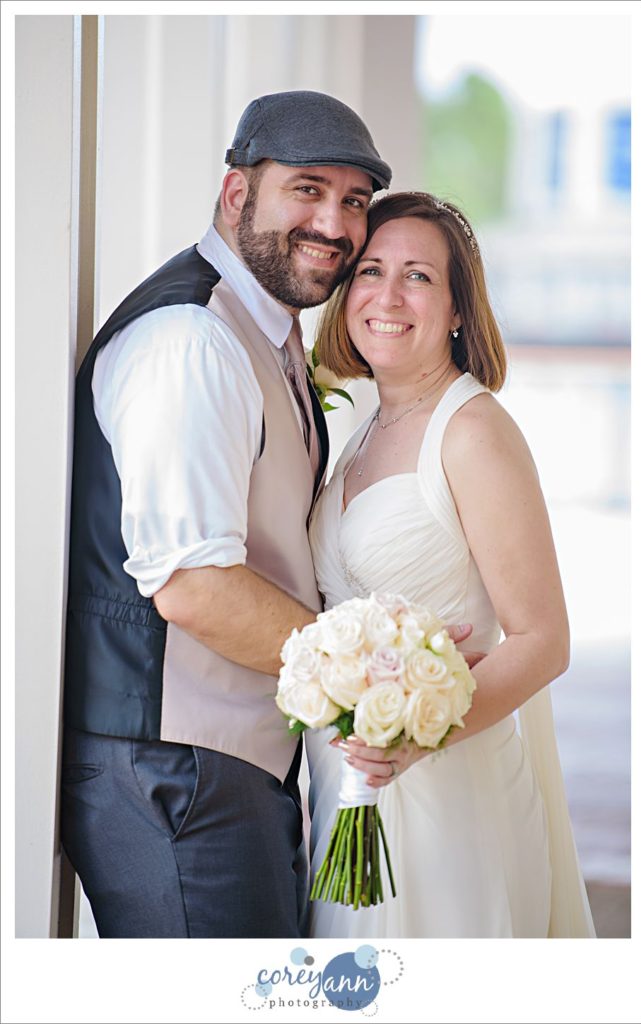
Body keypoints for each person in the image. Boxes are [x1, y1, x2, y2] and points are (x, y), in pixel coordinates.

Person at [60, 90, 397, 939]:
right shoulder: (193, 339)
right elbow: (196, 586)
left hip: (229, 760)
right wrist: (368, 687)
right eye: (308, 189)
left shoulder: (267, 335)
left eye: (354, 202)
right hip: (174, 769)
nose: (335, 222)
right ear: (238, 193)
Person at [306, 191, 596, 938]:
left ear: (460, 308)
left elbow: (543, 639)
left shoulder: (473, 432)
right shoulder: (365, 429)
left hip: (451, 792)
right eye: (371, 270)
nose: (389, 296)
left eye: (420, 277)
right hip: (347, 787)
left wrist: (409, 738)